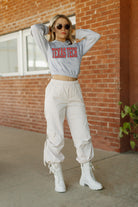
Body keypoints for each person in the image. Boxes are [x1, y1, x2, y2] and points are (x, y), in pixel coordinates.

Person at [31, 14, 103, 193]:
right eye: (59, 26)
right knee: (55, 135)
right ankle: (58, 176)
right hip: (56, 90)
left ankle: (86, 175)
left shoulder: (77, 46)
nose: (63, 29)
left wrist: (75, 30)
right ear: (53, 28)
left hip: (74, 90)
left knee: (83, 133)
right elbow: (34, 29)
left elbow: (95, 36)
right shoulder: (48, 46)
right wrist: (48, 28)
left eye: (66, 26)